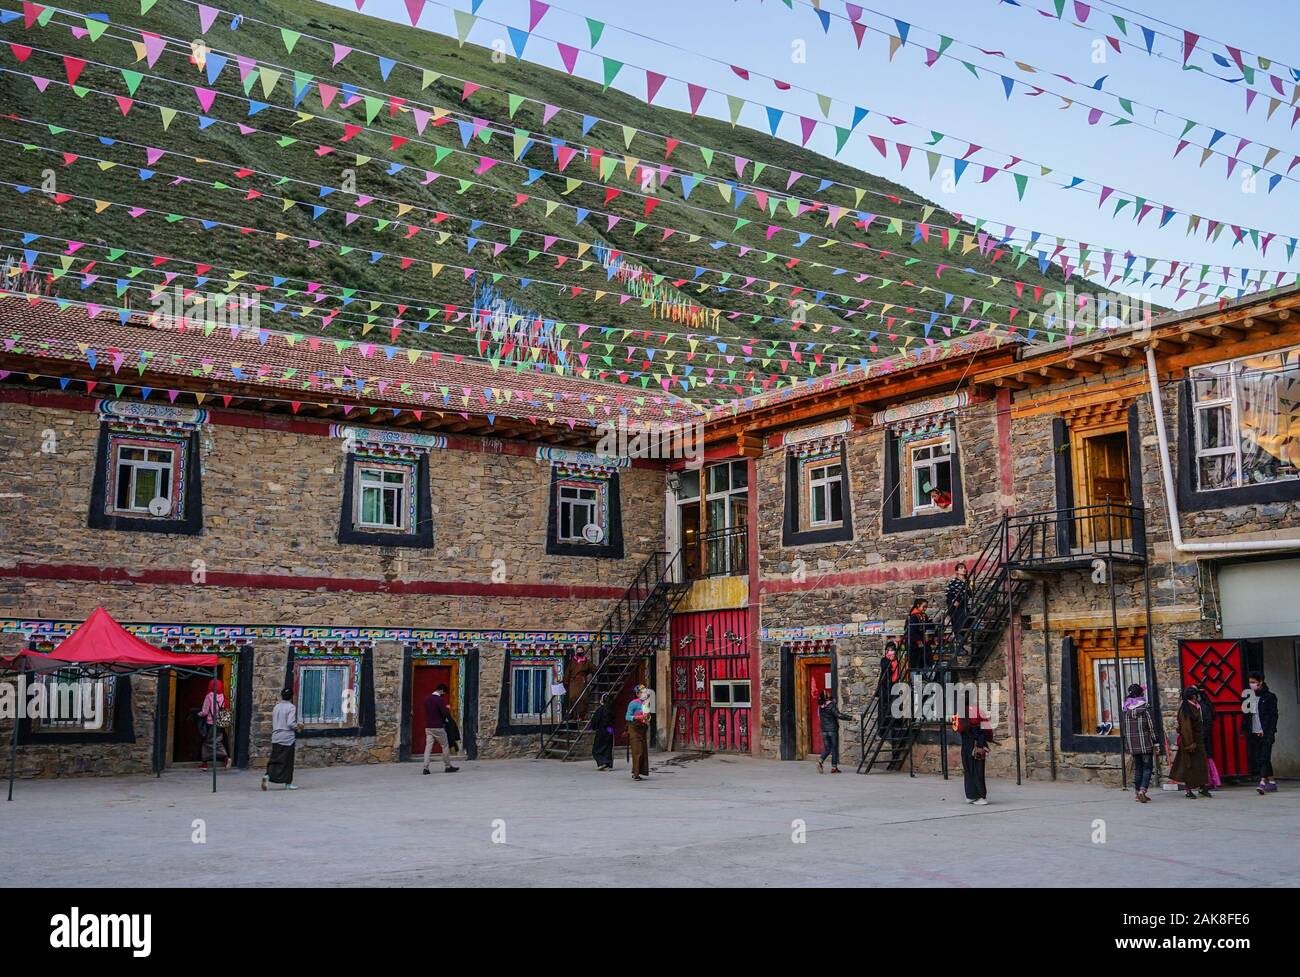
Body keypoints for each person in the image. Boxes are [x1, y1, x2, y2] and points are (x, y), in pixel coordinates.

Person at [1122, 683, 1161, 803]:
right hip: (1145, 743)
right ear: (1141, 694)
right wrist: (1156, 742)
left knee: (1138, 768)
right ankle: (1142, 791)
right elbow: (1151, 727)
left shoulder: (1126, 710)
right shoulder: (1145, 709)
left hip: (1133, 744)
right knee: (1147, 768)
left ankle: (1137, 792)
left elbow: (1125, 728)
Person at [1170, 687, 1210, 798]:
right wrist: (1189, 744)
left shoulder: (1195, 707)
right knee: (1189, 766)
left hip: (1198, 740)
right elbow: (1186, 728)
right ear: (1193, 696)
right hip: (1190, 741)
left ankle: (1202, 787)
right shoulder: (1186, 709)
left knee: (1201, 765)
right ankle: (1188, 790)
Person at [1243, 671, 1279, 795]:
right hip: (1255, 732)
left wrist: (1270, 732)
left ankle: (1263, 782)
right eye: (1250, 682)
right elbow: (1248, 716)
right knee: (1262, 758)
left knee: (1264, 757)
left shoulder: (1270, 697)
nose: (1251, 684)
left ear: (1260, 682)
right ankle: (1272, 782)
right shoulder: (1251, 697)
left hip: (1266, 733)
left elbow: (1274, 716)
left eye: (1253, 682)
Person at [262, 687, 301, 791]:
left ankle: (267, 775)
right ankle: (288, 784)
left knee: (275, 759)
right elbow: (290, 723)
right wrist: (298, 726)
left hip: (276, 736)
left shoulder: (276, 707)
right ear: (291, 696)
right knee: (287, 761)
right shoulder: (291, 707)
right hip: (287, 738)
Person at [957, 704, 994, 805]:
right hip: (979, 743)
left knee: (968, 769)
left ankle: (970, 795)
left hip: (966, 744)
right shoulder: (978, 711)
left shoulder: (959, 712)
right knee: (978, 769)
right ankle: (980, 796)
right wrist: (989, 738)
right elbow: (987, 729)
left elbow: (958, 729)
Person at [422, 683, 459, 774]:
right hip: (438, 727)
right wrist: (447, 708)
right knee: (445, 746)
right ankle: (447, 766)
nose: (444, 694)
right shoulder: (439, 700)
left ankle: (425, 768)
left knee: (428, 748)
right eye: (444, 692)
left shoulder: (427, 699)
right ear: (441, 690)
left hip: (428, 727)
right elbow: (444, 713)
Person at [198, 679, 231, 771]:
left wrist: (197, 714)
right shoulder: (223, 696)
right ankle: (206, 763)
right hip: (220, 723)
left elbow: (204, 712)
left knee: (209, 742)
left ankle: (225, 757)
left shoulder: (209, 696)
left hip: (210, 723)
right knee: (217, 741)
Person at [816, 689, 852, 774]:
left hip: (824, 730)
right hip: (832, 730)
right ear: (827, 697)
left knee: (827, 748)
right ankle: (834, 767)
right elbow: (838, 715)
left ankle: (820, 760)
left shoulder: (820, 707)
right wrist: (850, 718)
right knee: (834, 748)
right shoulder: (831, 705)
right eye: (828, 694)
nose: (829, 694)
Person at [1195, 686, 1219, 789]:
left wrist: (1202, 735)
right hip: (1205, 736)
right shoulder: (1204, 706)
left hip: (1204, 736)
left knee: (1206, 759)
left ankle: (1209, 781)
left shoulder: (1203, 707)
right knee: (1207, 758)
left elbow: (1207, 723)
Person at [626, 685, 651, 781]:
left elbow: (648, 716)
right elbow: (627, 716)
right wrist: (637, 717)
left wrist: (647, 717)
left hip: (642, 728)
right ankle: (636, 774)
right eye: (642, 692)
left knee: (643, 751)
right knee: (638, 751)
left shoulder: (646, 703)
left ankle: (637, 771)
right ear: (637, 694)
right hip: (634, 728)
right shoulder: (633, 703)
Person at [945, 563, 970, 657]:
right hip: (955, 606)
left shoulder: (967, 581)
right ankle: (960, 648)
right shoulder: (954, 581)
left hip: (963, 605)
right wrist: (952, 600)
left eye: (964, 568)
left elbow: (970, 594)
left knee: (965, 624)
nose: (963, 569)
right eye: (961, 568)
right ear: (957, 571)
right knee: (958, 625)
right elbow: (948, 592)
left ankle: (961, 646)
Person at [565, 649, 595, 718]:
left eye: (581, 650)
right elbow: (567, 672)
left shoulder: (586, 662)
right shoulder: (572, 661)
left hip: (582, 682)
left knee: (583, 698)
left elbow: (593, 668)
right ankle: (574, 715)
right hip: (573, 682)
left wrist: (585, 674)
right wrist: (565, 681)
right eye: (578, 650)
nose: (579, 652)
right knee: (572, 697)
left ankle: (582, 715)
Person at [906, 598, 932, 673]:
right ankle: (916, 682)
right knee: (915, 664)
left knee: (923, 661)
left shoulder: (923, 616)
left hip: (921, 642)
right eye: (924, 607)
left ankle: (924, 678)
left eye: (926, 607)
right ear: (918, 605)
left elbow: (926, 625)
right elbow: (912, 632)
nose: (925, 609)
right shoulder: (913, 617)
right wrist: (919, 642)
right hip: (914, 644)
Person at [590, 692, 615, 771]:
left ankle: (602, 762)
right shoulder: (611, 709)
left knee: (597, 748)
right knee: (608, 746)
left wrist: (593, 727)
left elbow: (594, 721)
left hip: (602, 730)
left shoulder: (600, 710)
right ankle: (607, 763)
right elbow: (614, 720)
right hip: (610, 729)